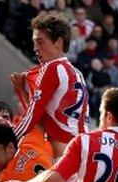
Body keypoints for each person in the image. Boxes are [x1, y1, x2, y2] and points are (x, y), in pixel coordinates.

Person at [11, 13, 88, 163]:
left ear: (58, 42)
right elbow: (41, 116)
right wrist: (22, 90)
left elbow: (33, 117)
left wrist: (7, 140)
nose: (35, 48)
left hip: (64, 157)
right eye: (34, 42)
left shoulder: (52, 68)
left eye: (40, 42)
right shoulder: (77, 72)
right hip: (82, 150)